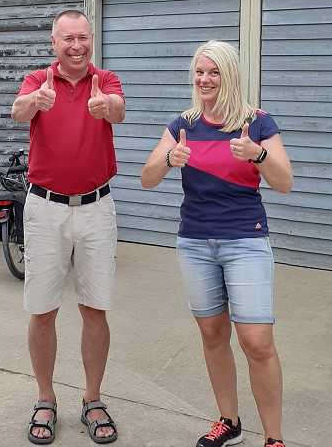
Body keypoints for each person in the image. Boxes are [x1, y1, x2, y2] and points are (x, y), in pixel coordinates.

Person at [140, 40, 293, 447]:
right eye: (199, 71)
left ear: (230, 75)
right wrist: (168, 158)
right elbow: (146, 178)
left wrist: (257, 154)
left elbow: (285, 183)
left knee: (257, 342)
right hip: (195, 243)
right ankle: (229, 421)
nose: (204, 79)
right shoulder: (183, 123)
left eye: (214, 72)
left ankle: (274, 439)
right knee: (212, 335)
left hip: (245, 240)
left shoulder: (257, 122)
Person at [11, 10, 125, 445]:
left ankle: (93, 399)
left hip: (97, 208)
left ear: (91, 40)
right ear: (53, 42)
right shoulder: (37, 79)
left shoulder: (106, 78)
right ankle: (45, 397)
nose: (76, 46)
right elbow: (18, 111)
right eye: (67, 39)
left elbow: (119, 110)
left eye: (83, 38)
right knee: (42, 310)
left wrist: (105, 105)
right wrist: (34, 102)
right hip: (46, 208)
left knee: (95, 309)